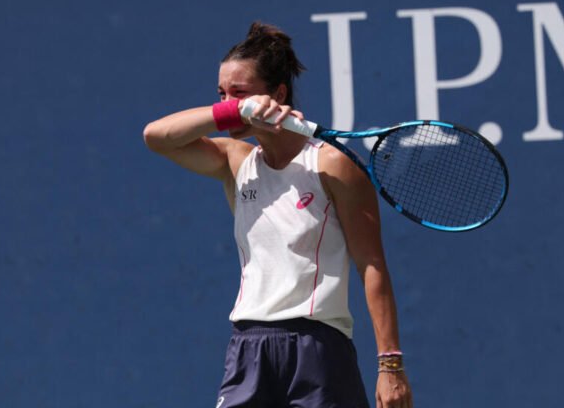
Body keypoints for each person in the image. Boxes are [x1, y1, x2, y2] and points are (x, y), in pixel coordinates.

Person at [143, 22, 412, 408]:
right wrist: (236, 109)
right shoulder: (234, 161)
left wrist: (390, 366)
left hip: (318, 350)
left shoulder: (331, 163)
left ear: (278, 94)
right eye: (221, 94)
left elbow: (372, 265)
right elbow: (156, 136)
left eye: (239, 92)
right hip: (248, 350)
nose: (227, 103)